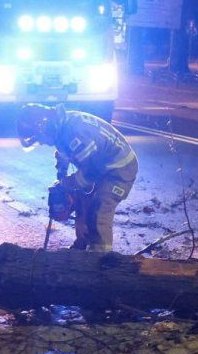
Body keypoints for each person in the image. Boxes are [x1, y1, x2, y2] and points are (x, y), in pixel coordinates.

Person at [17, 104, 138, 251]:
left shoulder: (75, 133)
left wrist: (67, 184)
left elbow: (91, 173)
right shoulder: (62, 126)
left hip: (118, 169)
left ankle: (99, 258)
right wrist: (61, 174)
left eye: (40, 138)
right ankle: (82, 244)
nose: (42, 142)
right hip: (99, 165)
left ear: (46, 127)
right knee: (82, 201)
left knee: (98, 210)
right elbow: (64, 153)